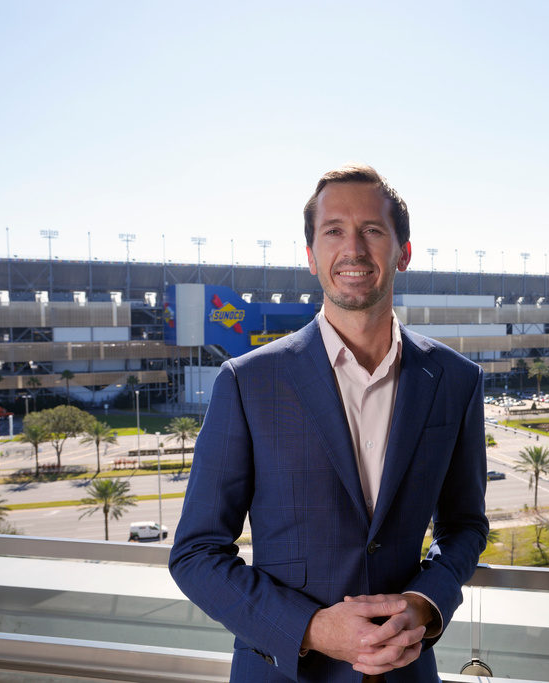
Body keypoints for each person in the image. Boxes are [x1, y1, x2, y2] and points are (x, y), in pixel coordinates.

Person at [169, 163, 489, 682]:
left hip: (405, 673)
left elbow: (465, 526)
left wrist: (425, 603)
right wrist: (312, 629)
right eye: (334, 231)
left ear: (403, 253)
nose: (353, 249)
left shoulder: (456, 380)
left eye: (372, 230)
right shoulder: (248, 381)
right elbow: (196, 553)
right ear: (312, 256)